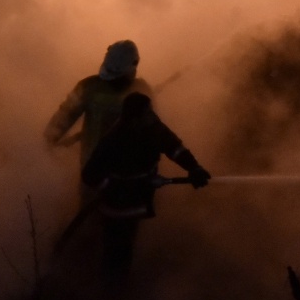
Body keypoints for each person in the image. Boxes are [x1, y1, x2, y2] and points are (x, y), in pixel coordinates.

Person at [78, 92, 210, 275]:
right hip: (117, 207)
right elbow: (90, 174)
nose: (152, 116)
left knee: (127, 245)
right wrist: (117, 187)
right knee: (116, 251)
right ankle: (111, 288)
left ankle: (119, 281)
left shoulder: (153, 127)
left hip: (138, 199)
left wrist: (194, 168)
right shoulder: (114, 140)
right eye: (147, 113)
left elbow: (174, 148)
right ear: (134, 119)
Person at [44, 40, 150, 186]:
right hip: (120, 171)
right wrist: (48, 141)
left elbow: (63, 118)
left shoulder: (88, 87)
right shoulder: (141, 89)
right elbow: (63, 118)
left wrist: (47, 142)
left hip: (100, 169)